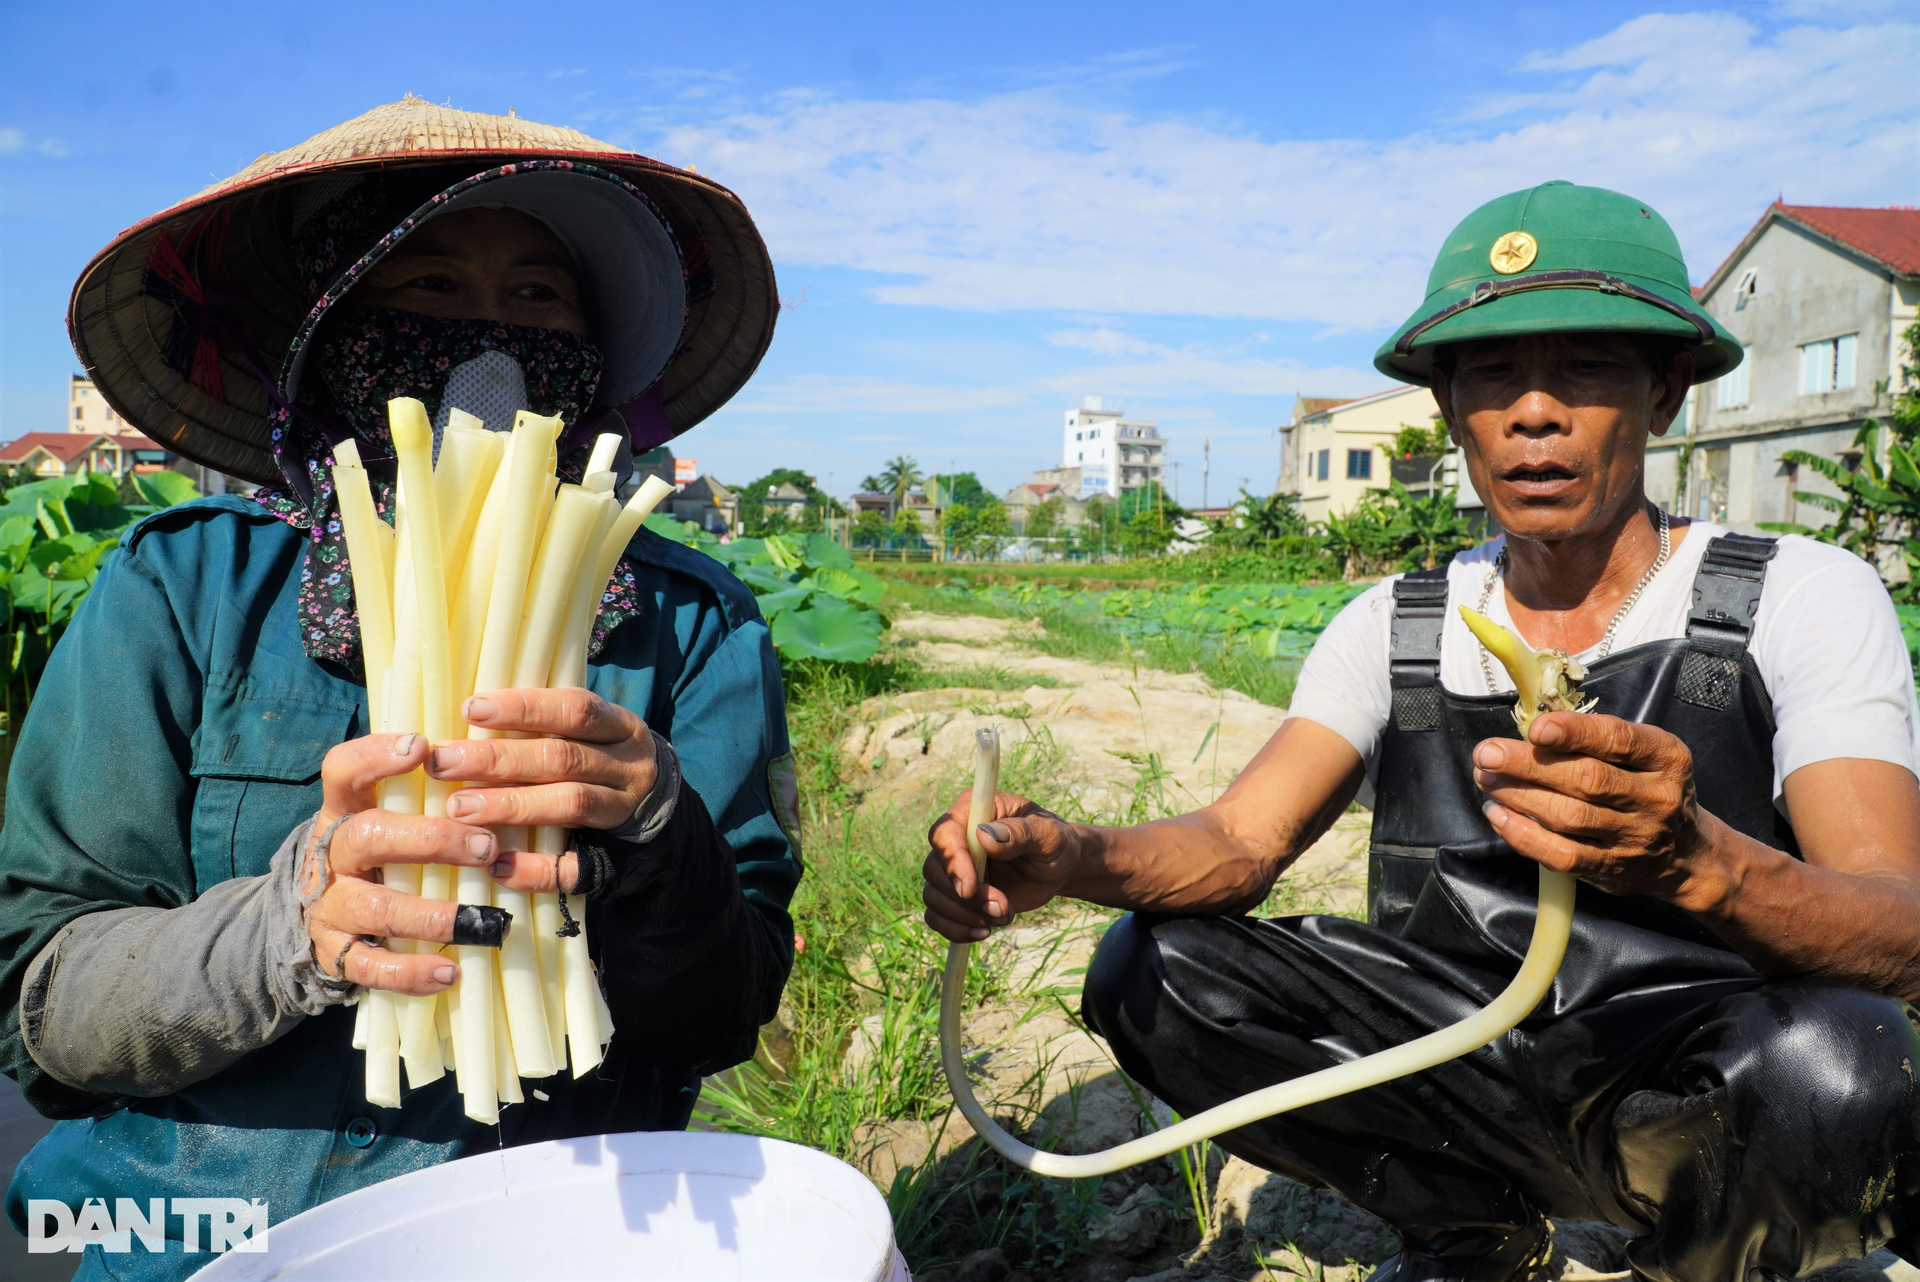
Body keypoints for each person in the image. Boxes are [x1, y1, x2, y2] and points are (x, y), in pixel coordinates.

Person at [924, 182, 1920, 1282]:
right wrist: (1071, 858)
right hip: (1459, 1059)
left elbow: (1898, 924)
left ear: (1664, 392)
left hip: (1694, 1080)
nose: (1533, 412)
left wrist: (1701, 866)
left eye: (1584, 369)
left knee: (1850, 1058)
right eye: (1491, 375)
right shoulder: (1391, 627)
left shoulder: (1800, 597)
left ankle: (1692, 1257)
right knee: (1152, 970)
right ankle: (1467, 1227)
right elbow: (1238, 845)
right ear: (1450, 408)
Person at [1, 98, 799, 1278]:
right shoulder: (185, 586)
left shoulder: (695, 623)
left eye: (539, 297)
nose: (488, 337)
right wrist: (292, 927)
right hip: (198, 1238)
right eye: (424, 288)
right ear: (334, 327)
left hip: (559, 1232)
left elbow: (724, 1014)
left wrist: (657, 828)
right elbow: (42, 1009)